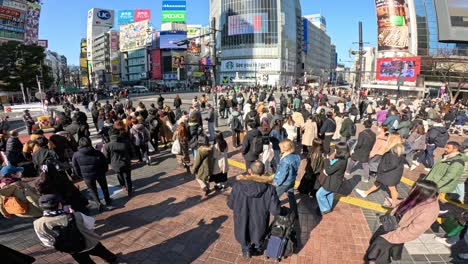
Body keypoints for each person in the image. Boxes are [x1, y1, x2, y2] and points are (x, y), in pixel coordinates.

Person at [364, 180, 440, 264]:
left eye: (414, 187)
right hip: (392, 223)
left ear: (422, 192)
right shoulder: (422, 197)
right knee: (375, 242)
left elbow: (413, 231)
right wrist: (393, 202)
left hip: (399, 232)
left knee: (378, 249)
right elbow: (407, 201)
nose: (411, 188)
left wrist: (391, 237)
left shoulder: (430, 210)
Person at [33, 194, 118, 264]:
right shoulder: (76, 215)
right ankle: (112, 260)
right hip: (90, 242)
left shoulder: (37, 224)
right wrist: (74, 214)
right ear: (59, 204)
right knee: (103, 253)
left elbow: (47, 242)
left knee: (85, 262)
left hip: (71, 249)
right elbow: (90, 224)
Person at [227, 161, 281, 259]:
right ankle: (257, 248)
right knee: (258, 234)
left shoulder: (238, 186)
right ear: (264, 172)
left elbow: (230, 205)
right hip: (259, 221)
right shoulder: (270, 189)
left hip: (241, 219)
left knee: (243, 233)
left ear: (249, 171)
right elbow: (275, 211)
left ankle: (246, 250)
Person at [356, 133, 405, 208]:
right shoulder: (398, 148)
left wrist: (383, 168)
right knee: (378, 182)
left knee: (392, 188)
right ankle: (365, 193)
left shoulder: (393, 150)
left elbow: (393, 164)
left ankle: (394, 203)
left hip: (390, 174)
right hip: (393, 173)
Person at [72, 137, 111, 211]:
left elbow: (75, 167)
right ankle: (107, 200)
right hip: (100, 173)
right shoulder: (97, 152)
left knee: (92, 189)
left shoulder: (76, 155)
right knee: (104, 187)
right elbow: (104, 163)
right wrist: (105, 170)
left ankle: (98, 203)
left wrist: (81, 175)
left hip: (87, 176)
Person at [316, 142, 349, 215]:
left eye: (336, 149)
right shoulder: (344, 158)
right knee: (330, 194)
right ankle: (328, 206)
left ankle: (325, 208)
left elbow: (328, 171)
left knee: (319, 194)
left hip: (332, 182)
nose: (335, 151)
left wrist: (326, 159)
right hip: (336, 182)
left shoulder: (341, 161)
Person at [103, 129, 133, 197]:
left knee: (119, 175)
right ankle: (129, 190)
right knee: (127, 176)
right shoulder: (125, 142)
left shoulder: (107, 145)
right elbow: (131, 152)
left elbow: (106, 157)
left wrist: (109, 163)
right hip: (126, 162)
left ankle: (123, 186)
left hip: (115, 164)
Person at [274, 139, 301, 215]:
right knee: (291, 196)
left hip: (284, 182)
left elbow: (282, 174)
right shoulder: (296, 156)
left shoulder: (285, 159)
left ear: (285, 148)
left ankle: (275, 210)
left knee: (274, 196)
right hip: (292, 180)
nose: (280, 149)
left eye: (281, 147)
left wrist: (277, 182)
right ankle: (294, 212)